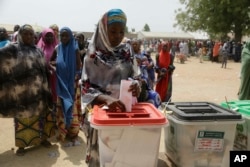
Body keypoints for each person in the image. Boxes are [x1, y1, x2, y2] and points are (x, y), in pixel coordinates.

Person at [80, 9, 160, 166]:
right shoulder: (91, 56)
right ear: (103, 30)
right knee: (104, 155)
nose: (118, 36)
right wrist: (106, 99)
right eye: (113, 31)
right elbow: (85, 87)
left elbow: (136, 74)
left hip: (126, 113)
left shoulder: (126, 50)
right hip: (102, 114)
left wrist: (138, 84)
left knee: (125, 154)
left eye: (121, 32)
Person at [0, 24, 56, 156]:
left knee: (41, 117)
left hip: (39, 93)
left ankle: (43, 140)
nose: (29, 36)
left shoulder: (37, 50)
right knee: (22, 119)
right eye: (25, 33)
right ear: (20, 34)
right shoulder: (12, 49)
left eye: (31, 34)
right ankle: (22, 146)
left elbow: (42, 68)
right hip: (22, 94)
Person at [49, 27, 82, 145]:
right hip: (61, 84)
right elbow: (50, 61)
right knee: (62, 108)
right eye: (61, 36)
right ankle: (63, 131)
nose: (63, 38)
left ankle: (73, 133)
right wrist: (54, 67)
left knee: (72, 109)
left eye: (66, 35)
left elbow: (79, 67)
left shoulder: (75, 49)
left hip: (72, 85)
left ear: (70, 36)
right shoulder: (58, 49)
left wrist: (76, 77)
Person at [37, 28, 58, 108]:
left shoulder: (57, 48)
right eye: (47, 36)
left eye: (51, 36)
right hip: (43, 76)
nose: (49, 38)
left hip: (55, 76)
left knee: (54, 94)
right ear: (43, 37)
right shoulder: (39, 48)